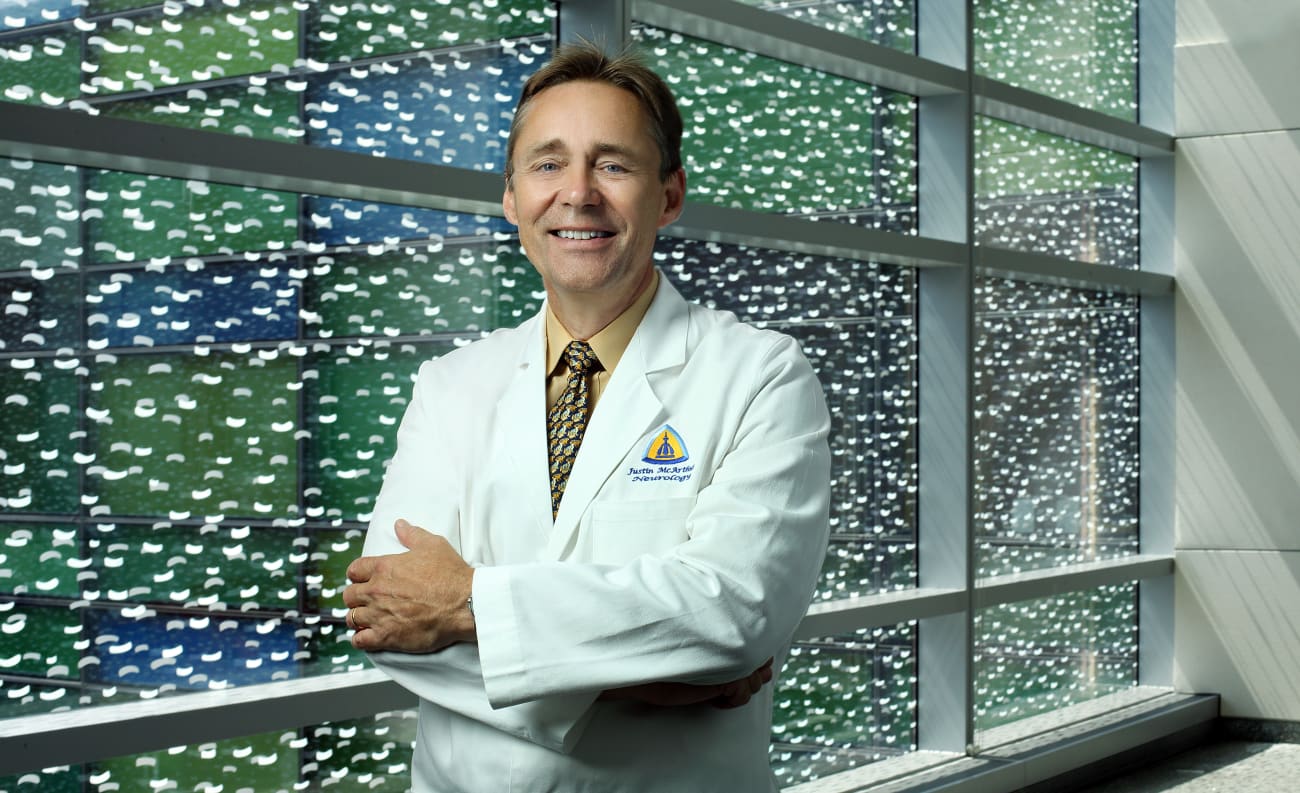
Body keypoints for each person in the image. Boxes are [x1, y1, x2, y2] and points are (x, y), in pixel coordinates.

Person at [342, 41, 831, 791]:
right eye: (547, 164)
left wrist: (466, 603)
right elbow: (389, 616)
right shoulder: (449, 385)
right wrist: (654, 674)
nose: (577, 193)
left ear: (668, 195)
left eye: (613, 164)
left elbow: (731, 613)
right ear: (511, 198)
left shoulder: (763, 375)